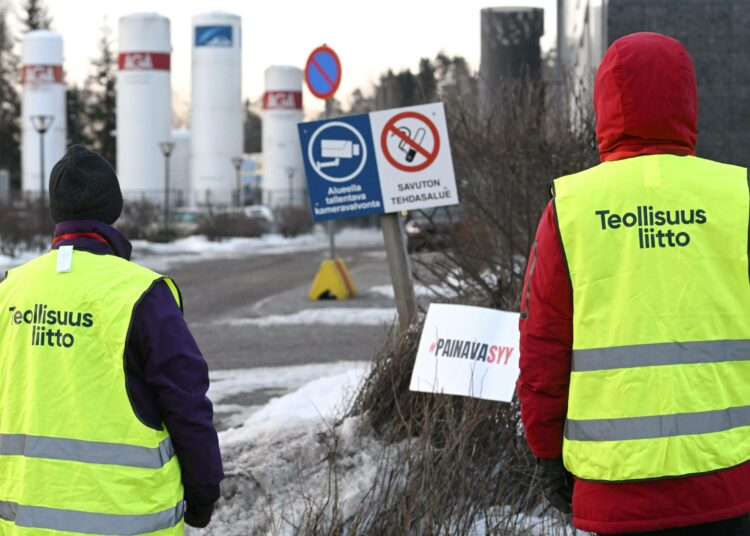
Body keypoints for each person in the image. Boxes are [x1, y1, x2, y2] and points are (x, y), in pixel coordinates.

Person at [517, 32, 750, 535]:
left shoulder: (570, 209)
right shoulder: (739, 198)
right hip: (727, 483)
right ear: (688, 99)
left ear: (604, 104)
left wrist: (545, 452)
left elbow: (542, 350)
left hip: (614, 492)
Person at [0, 145, 223, 534]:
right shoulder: (142, 294)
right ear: (113, 209)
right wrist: (203, 489)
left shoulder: (10, 290)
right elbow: (185, 399)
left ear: (57, 211)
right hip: (130, 521)